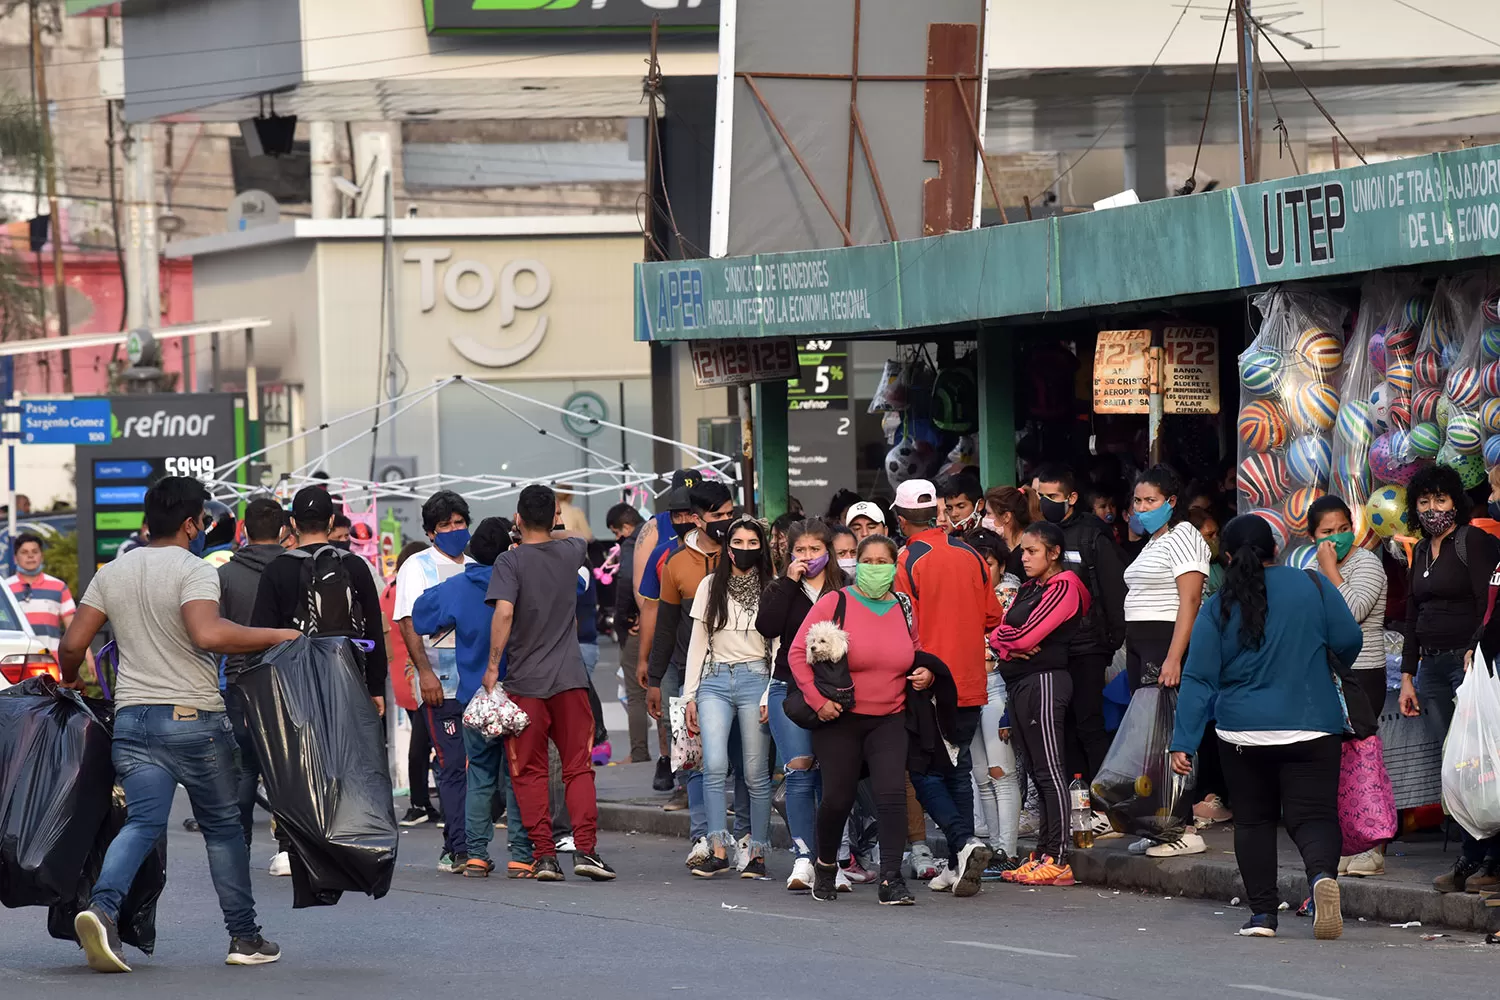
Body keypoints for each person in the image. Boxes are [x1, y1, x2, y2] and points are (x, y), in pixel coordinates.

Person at [57, 476, 300, 973]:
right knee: (223, 830)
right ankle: (244, 936)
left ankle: (103, 909)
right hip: (193, 719)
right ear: (192, 523)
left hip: (131, 720)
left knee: (144, 822)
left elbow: (71, 645)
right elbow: (207, 632)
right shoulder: (195, 570)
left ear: (149, 522)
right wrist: (280, 634)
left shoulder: (113, 572)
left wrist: (74, 682)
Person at [1169, 514, 1361, 940]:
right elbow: (1350, 638)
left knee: (1253, 821)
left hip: (1243, 732)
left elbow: (1199, 677)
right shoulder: (1311, 584)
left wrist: (1183, 740)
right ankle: (1320, 880)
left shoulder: (1219, 603)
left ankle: (1262, 917)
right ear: (1275, 548)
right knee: (1313, 815)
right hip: (1314, 724)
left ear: (1228, 555)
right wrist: (1319, 668)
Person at [484, 484, 616, 882]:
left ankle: (544, 855)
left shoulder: (510, 562)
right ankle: (586, 851)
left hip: (526, 681)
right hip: (571, 679)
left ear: (518, 518)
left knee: (529, 770)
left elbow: (504, 614)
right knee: (578, 767)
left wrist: (493, 666)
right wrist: (549, 526)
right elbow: (575, 536)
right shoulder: (570, 550)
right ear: (555, 516)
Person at [789, 533, 926, 906]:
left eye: (884, 562)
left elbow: (914, 651)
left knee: (892, 795)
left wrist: (923, 673)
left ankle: (892, 880)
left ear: (895, 566)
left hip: (890, 718)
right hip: (840, 719)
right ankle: (826, 865)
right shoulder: (836, 602)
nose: (876, 568)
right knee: (837, 798)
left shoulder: (903, 605)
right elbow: (798, 653)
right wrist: (818, 702)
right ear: (855, 564)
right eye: (869, 561)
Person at [892, 479, 1003, 893]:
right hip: (972, 679)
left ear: (901, 519)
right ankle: (960, 863)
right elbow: (992, 616)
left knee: (921, 772)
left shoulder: (908, 559)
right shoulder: (972, 554)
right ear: (937, 512)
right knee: (957, 770)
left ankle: (964, 841)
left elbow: (902, 625)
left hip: (928, 682)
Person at [1397, 464, 1500, 894]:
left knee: (1482, 764)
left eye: (1440, 500)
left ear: (1455, 501)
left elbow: (1488, 603)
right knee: (1453, 764)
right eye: (1424, 501)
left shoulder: (1472, 542)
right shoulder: (1421, 550)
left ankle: (1490, 861)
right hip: (1432, 672)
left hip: (1468, 669)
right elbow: (1411, 616)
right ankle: (1467, 857)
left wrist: (1475, 649)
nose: (1432, 508)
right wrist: (1407, 674)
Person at [412, 517, 534, 878]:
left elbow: (420, 616)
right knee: (517, 777)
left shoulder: (458, 585)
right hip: (519, 695)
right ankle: (522, 854)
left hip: (473, 696)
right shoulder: (521, 582)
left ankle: (477, 854)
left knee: (478, 775)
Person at [989, 521, 1091, 883]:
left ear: (1054, 553)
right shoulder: (1032, 587)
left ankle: (1058, 857)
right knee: (1034, 770)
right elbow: (1000, 632)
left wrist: (1011, 640)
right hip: (1021, 684)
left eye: (1033, 551)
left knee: (1049, 770)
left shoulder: (1065, 586)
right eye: (1024, 551)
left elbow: (1030, 634)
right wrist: (1010, 642)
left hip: (1045, 682)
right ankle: (1044, 852)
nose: (1024, 557)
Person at [1120, 465, 1210, 857]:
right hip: (1143, 647)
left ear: (1171, 502)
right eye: (1138, 501)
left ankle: (1186, 827)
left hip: (1165, 646)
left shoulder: (1185, 536)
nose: (1143, 507)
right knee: (1151, 741)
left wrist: (1174, 657)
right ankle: (1162, 824)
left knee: (1173, 737)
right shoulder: (1153, 542)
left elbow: (1190, 601)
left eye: (1151, 500)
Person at [683, 516, 775, 878]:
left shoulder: (774, 586)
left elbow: (779, 646)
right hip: (714, 681)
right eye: (739, 542)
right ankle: (719, 850)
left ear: (763, 547)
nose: (745, 549)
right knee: (715, 767)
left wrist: (771, 690)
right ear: (728, 546)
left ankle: (756, 854)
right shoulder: (710, 585)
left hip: (757, 679)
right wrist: (690, 694)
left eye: (754, 543)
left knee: (756, 773)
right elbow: (697, 643)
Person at [648, 480, 734, 864]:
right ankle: (703, 837)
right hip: (692, 675)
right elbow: (665, 626)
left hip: (745, 671)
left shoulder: (745, 552)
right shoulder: (676, 563)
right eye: (718, 516)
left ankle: (746, 837)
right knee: (696, 759)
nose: (727, 522)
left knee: (746, 762)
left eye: (731, 514)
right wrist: (653, 679)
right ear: (697, 520)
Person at [756, 518, 845, 890]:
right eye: (801, 550)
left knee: (832, 775)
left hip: (834, 691)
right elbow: (768, 627)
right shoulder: (782, 588)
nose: (808, 557)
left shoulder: (844, 589)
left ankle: (832, 861)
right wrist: (790, 583)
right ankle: (803, 858)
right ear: (789, 553)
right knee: (798, 769)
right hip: (787, 688)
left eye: (816, 550)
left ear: (829, 552)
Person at [1305, 495, 1391, 876]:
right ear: (1312, 536)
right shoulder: (1309, 567)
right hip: (1323, 674)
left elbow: (1352, 611)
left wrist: (1330, 569)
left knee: (1363, 760)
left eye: (1343, 529)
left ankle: (1374, 845)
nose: (1337, 538)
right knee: (1332, 764)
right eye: (1327, 532)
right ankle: (1347, 841)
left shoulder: (1366, 563)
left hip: (1362, 673)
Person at [1031, 463, 1127, 797]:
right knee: (1063, 727)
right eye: (1041, 496)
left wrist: (1113, 638)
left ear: (1071, 497)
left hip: (1089, 646)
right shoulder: (1038, 534)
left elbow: (1114, 589)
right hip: (1052, 648)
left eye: (1053, 496)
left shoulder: (1091, 534)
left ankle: (1104, 800)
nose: (1046, 502)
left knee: (1089, 723)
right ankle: (1076, 798)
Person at [250, 487, 388, 714]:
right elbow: (373, 630)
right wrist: (375, 687)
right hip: (349, 681)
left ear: (293, 523)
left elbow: (261, 635)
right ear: (331, 521)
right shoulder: (355, 566)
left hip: (294, 688)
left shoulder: (276, 569)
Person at [393, 490, 475, 871]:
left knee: (482, 767)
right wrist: (425, 673)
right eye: (446, 525)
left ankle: (474, 841)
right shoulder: (417, 567)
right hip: (440, 683)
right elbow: (407, 622)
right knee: (452, 764)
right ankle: (457, 847)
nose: (455, 530)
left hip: (479, 683)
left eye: (460, 522)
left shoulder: (476, 565)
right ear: (431, 532)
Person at [215, 499, 293, 871]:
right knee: (287, 768)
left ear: (244, 530)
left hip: (239, 683)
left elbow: (213, 633)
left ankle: (238, 849)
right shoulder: (295, 569)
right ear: (283, 529)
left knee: (245, 770)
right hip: (287, 681)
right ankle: (287, 849)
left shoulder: (226, 575)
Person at [635, 470, 703, 793]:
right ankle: (687, 789)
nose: (685, 518)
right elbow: (651, 610)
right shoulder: (661, 554)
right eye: (678, 513)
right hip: (674, 655)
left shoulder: (724, 551)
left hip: (712, 658)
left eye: (691, 511)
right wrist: (645, 660)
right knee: (676, 721)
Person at [964, 528, 1021, 862]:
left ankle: (1007, 849)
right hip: (970, 684)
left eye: (988, 562)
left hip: (997, 683)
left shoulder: (1008, 593)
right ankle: (995, 848)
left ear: (1000, 563)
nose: (983, 569)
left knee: (1001, 770)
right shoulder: (966, 593)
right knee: (981, 773)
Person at [386, 540, 439, 827]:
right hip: (418, 676)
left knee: (425, 740)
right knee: (425, 741)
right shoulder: (410, 593)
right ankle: (418, 803)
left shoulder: (388, 591)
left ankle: (422, 802)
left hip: (401, 678)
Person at [607, 502, 655, 763]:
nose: (617, 538)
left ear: (626, 527)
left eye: (616, 532)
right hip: (665, 621)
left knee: (636, 692)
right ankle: (669, 753)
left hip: (640, 624)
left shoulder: (633, 543)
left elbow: (626, 581)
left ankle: (639, 751)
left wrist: (626, 617)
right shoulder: (659, 533)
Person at [5, 532, 79, 657]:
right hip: (15, 660)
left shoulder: (59, 586)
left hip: (51, 661)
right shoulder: (6, 589)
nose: (30, 556)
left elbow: (73, 628)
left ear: (42, 556)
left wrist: (86, 654)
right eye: (24, 552)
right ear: (15, 558)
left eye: (35, 552)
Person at [984, 486, 1031, 612]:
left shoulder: (1025, 552)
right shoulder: (1003, 549)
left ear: (1006, 517)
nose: (985, 519)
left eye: (988, 513)